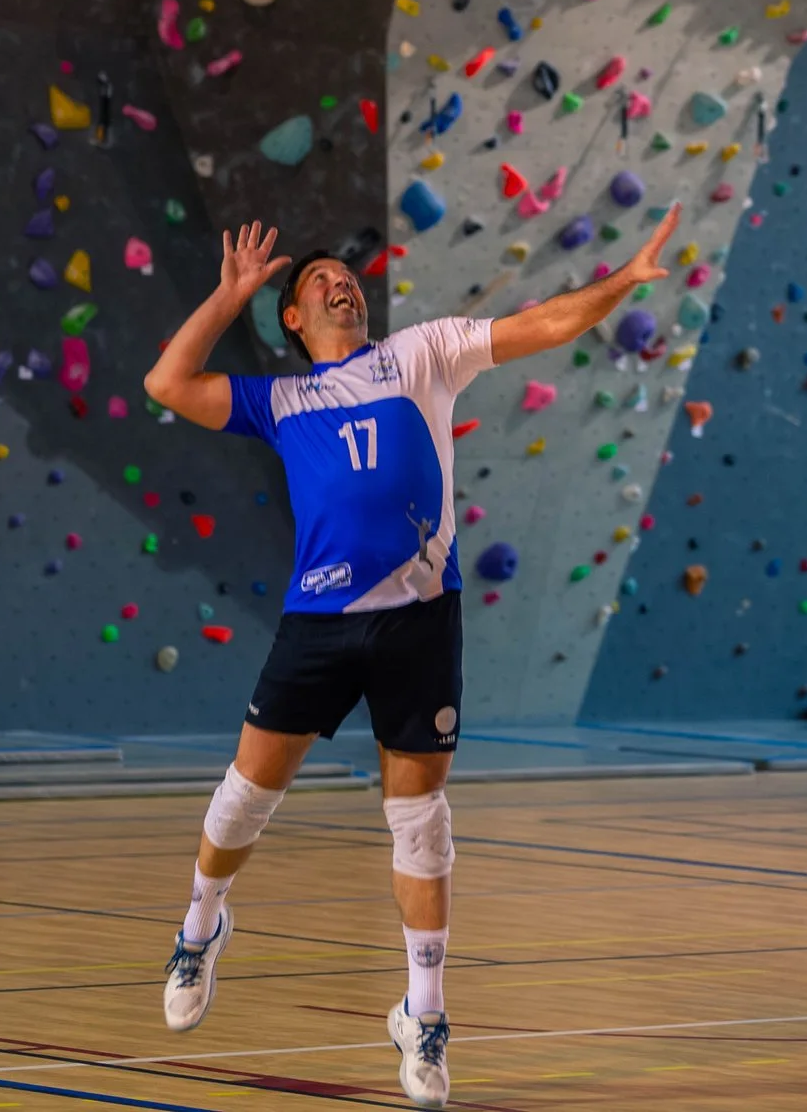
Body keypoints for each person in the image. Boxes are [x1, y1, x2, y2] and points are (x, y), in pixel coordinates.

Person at [141, 206, 679, 1108]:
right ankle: (199, 930)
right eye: (320, 282)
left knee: (421, 823)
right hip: (319, 624)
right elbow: (167, 381)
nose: (341, 284)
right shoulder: (281, 402)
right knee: (244, 797)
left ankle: (423, 1017)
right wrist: (230, 295)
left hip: (420, 623)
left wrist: (620, 282)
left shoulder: (423, 353)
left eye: (347, 277)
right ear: (293, 320)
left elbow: (542, 324)